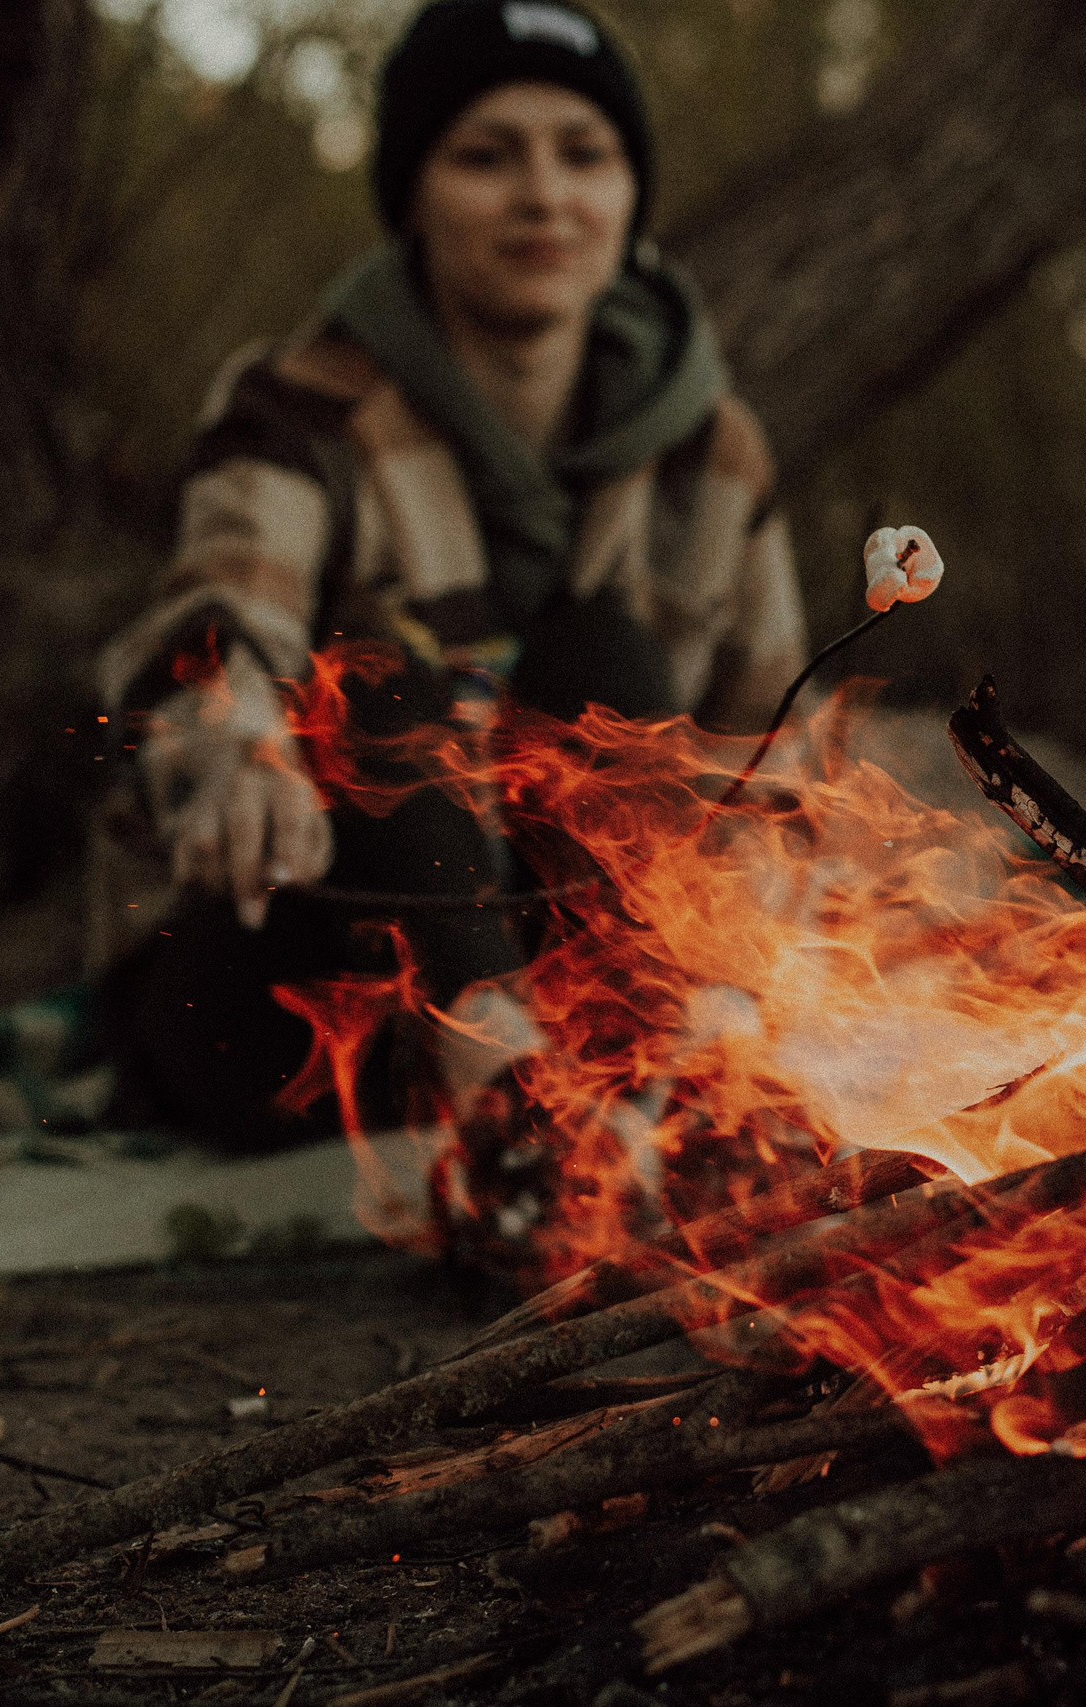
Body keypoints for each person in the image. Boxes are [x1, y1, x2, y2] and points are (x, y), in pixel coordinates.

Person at [94, 0, 806, 1151]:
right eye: (486, 156)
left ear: (630, 197)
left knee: (607, 652)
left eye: (585, 154)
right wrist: (241, 746)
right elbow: (221, 616)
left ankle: (657, 1102)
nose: (542, 195)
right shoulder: (299, 407)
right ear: (413, 196)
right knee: (373, 680)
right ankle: (516, 1142)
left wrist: (740, 966)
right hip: (310, 993)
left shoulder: (711, 450)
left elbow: (766, 766)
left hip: (583, 985)